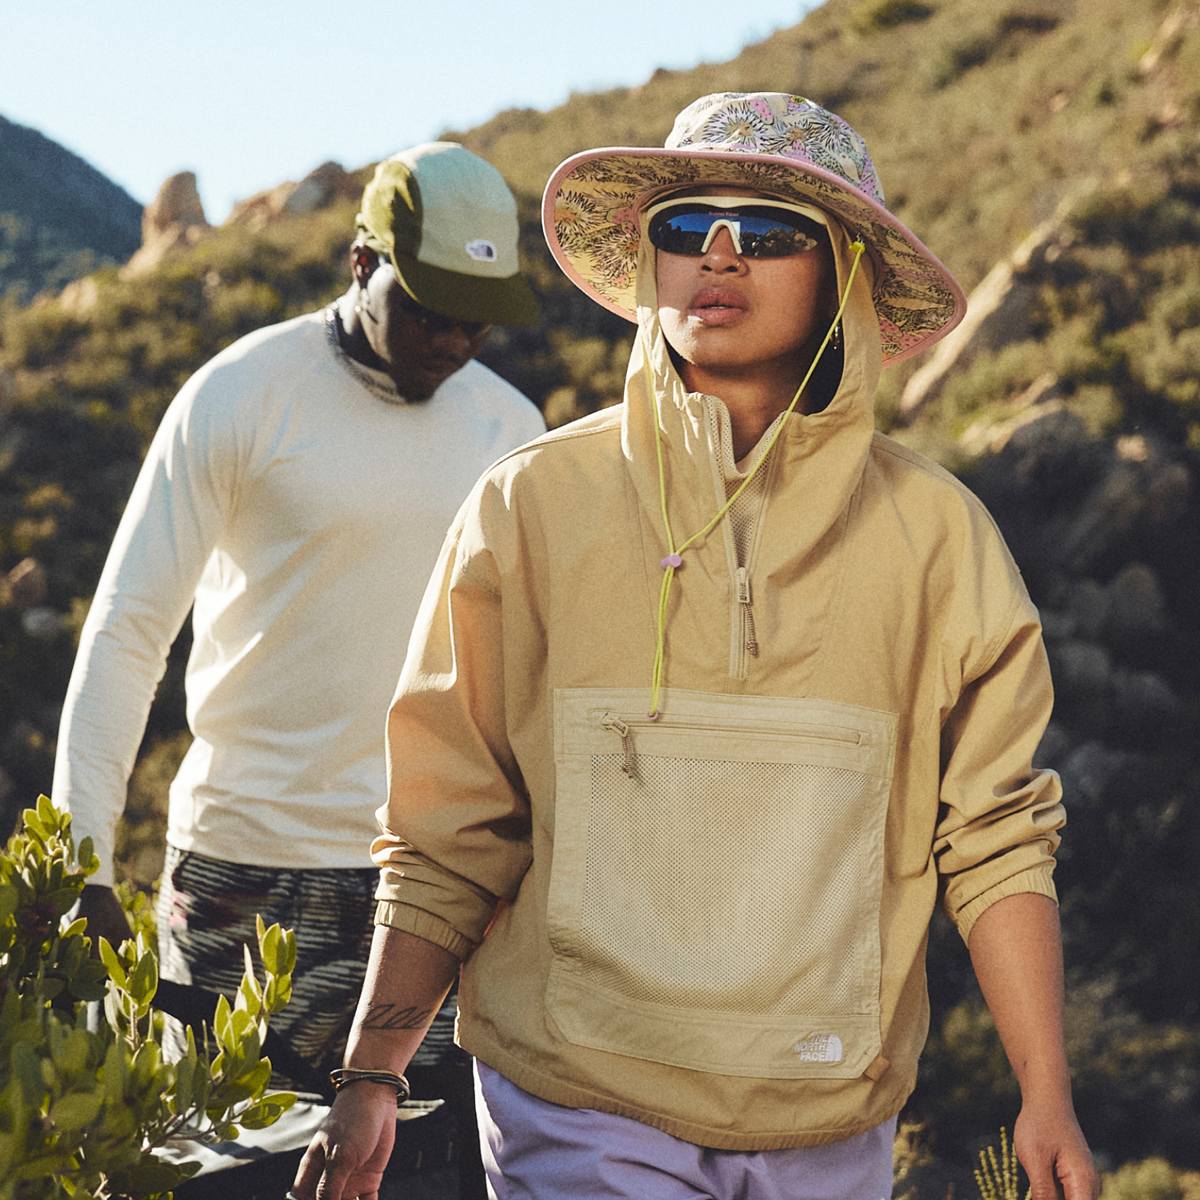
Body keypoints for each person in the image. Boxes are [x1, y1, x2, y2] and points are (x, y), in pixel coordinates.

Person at [293, 93, 1098, 1200]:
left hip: (832, 1122)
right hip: (575, 1106)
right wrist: (372, 1072)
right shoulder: (530, 508)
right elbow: (449, 829)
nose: (718, 253)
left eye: (765, 231)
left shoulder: (939, 541)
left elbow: (998, 836)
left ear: (844, 274)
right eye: (685, 226)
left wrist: (1046, 1093)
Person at [52, 142, 545, 1092]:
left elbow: (529, 672)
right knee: (227, 1153)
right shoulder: (240, 393)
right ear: (361, 262)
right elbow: (128, 629)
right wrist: (85, 863)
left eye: (476, 320)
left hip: (429, 883)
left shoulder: (511, 431)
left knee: (418, 1158)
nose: (454, 342)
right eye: (430, 310)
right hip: (240, 867)